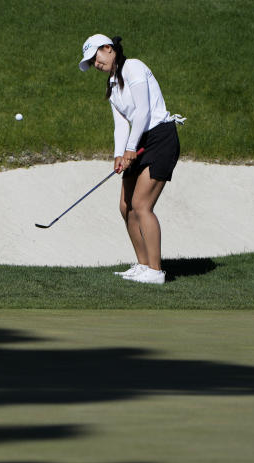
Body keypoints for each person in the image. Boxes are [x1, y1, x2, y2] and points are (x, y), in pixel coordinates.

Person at [79, 34, 184, 285]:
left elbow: (143, 110)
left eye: (96, 57)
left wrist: (129, 148)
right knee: (126, 206)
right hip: (139, 142)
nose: (95, 63)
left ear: (109, 49)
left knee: (141, 205)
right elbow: (120, 125)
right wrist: (119, 154)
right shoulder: (113, 84)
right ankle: (143, 265)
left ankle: (156, 271)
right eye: (91, 61)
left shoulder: (134, 66)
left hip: (160, 137)